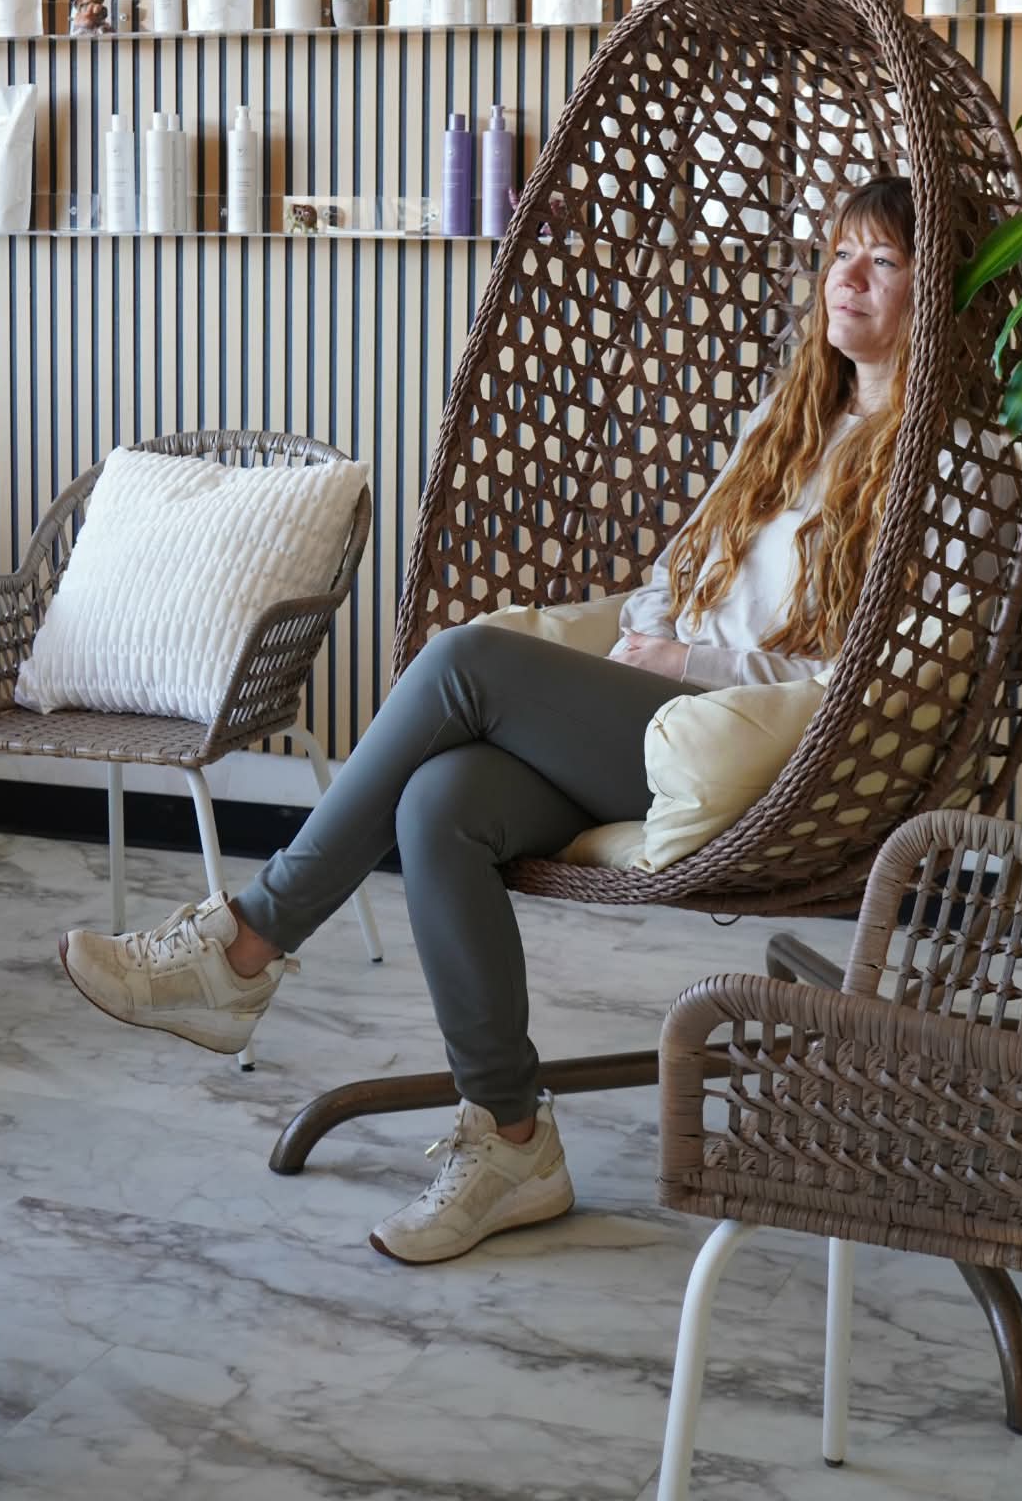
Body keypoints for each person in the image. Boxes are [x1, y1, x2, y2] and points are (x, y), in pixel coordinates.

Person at [59, 175, 918, 1265]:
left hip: (746, 734)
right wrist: (637, 642)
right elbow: (675, 572)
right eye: (840, 251)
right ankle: (514, 1137)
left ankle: (246, 942)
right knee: (440, 802)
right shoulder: (793, 415)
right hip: (651, 702)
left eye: (881, 261)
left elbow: (863, 666)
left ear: (927, 289)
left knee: (465, 660)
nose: (846, 277)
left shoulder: (931, 462)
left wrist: (681, 657)